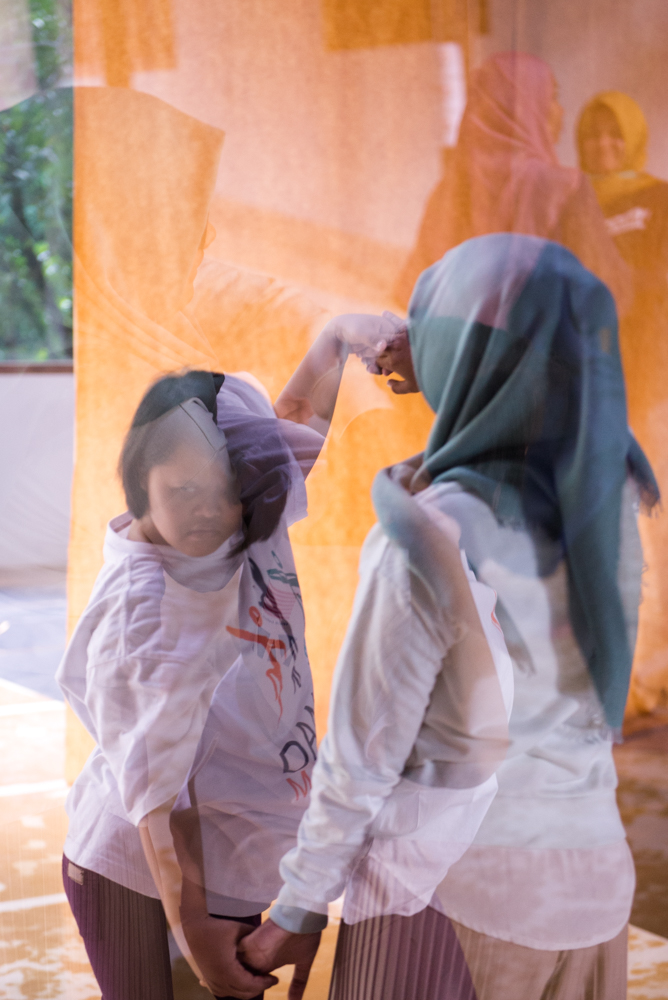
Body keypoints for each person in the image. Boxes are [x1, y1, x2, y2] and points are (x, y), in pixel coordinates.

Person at [241, 234, 659, 1000]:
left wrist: (299, 905)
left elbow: (364, 755)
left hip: (453, 900)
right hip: (595, 898)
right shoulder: (610, 506)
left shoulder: (428, 532)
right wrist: (444, 353)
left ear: (463, 357)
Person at [58, 307, 406, 1000]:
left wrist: (338, 338)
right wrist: (194, 932)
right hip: (150, 874)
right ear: (140, 480)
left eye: (224, 492)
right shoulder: (145, 613)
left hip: (227, 860)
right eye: (182, 490)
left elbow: (294, 421)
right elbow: (160, 806)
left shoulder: (246, 514)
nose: (206, 511)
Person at [393, 52, 630, 317]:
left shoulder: (446, 195)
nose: (560, 111)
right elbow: (608, 296)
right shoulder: (565, 189)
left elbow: (413, 298)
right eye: (551, 97)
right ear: (525, 106)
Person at [577, 91, 668, 713]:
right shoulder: (570, 201)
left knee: (656, 529)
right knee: (610, 535)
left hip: (652, 384)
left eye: (615, 134)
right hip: (594, 390)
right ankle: (625, 677)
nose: (604, 146)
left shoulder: (658, 200)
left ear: (633, 138)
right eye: (593, 135)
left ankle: (654, 674)